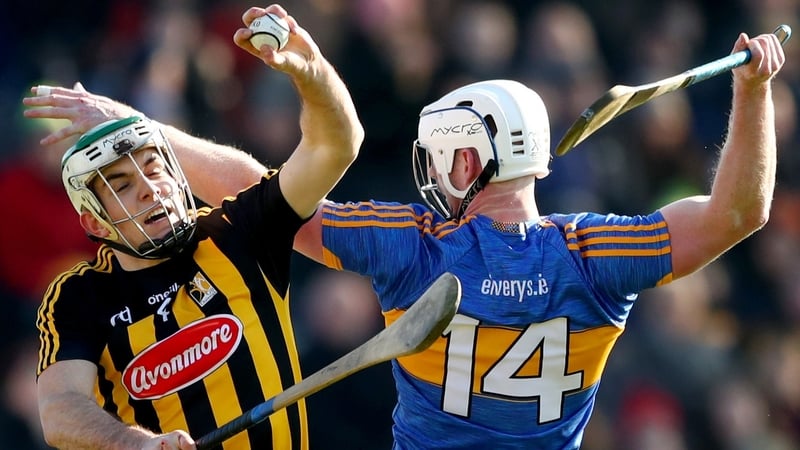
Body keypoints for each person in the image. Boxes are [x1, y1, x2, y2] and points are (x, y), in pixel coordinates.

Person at [26, 30, 786, 449]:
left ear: (467, 159)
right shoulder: (594, 255)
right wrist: (754, 95)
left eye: (437, 156)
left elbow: (263, 187)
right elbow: (738, 213)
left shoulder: (409, 245)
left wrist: (147, 131)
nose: (426, 172)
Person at [24, 4, 363, 450]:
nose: (148, 189)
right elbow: (59, 409)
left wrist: (311, 72)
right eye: (122, 184)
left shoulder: (240, 232)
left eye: (153, 167)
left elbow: (337, 146)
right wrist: (138, 444)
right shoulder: (77, 296)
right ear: (94, 222)